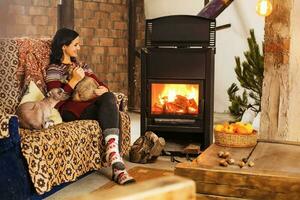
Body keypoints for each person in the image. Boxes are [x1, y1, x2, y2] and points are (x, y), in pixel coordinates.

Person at [46, 28, 135, 185]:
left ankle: (114, 159)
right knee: (111, 111)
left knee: (109, 98)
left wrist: (103, 89)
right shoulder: (54, 69)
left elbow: (102, 84)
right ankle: (118, 167)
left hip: (89, 105)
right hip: (69, 110)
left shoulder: (82, 66)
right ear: (63, 47)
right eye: (76, 44)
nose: (79, 48)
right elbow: (56, 101)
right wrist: (73, 80)